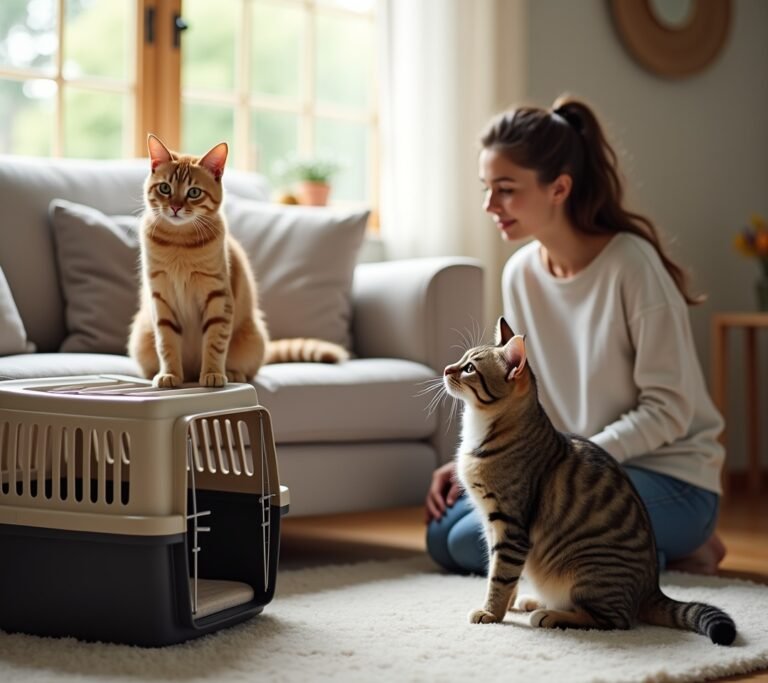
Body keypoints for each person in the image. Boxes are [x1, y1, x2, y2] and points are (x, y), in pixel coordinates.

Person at [425, 94, 727, 577]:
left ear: (559, 188)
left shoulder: (632, 265)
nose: (489, 205)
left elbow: (670, 410)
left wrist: (572, 461)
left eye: (505, 189)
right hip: (569, 468)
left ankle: (681, 544)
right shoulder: (520, 273)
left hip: (671, 476)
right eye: (486, 187)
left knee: (481, 545)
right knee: (448, 537)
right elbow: (520, 394)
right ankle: (658, 557)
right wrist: (476, 459)